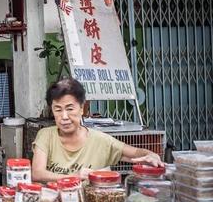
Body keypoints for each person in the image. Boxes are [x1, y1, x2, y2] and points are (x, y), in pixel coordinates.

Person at [32, 78, 164, 182]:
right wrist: (74, 176)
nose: (64, 117)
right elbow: (37, 173)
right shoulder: (46, 136)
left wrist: (151, 155)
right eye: (58, 110)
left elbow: (135, 153)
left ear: (82, 108)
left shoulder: (100, 140)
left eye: (70, 109)